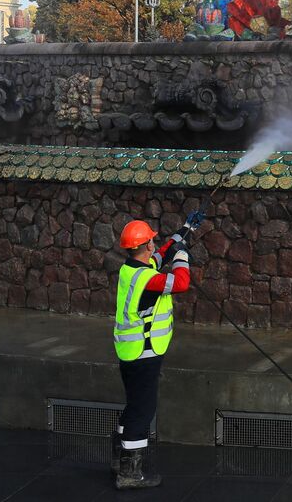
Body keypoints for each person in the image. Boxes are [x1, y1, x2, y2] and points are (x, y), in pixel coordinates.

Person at [112, 209, 205, 489]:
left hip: (130, 353)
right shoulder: (149, 280)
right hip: (144, 353)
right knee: (143, 410)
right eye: (152, 240)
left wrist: (185, 229)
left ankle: (119, 457)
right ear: (144, 245)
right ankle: (129, 473)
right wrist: (183, 255)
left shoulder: (132, 268)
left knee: (133, 405)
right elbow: (181, 282)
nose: (155, 243)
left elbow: (161, 253)